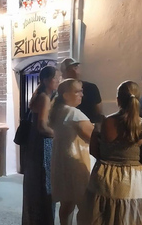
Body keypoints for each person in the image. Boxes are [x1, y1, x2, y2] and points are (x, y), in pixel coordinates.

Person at [81, 81, 142, 225]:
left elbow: (93, 150)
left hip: (104, 174)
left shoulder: (104, 122)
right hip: (132, 179)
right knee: (127, 217)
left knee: (100, 215)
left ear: (118, 100)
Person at [49, 79, 93, 225]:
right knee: (85, 205)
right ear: (66, 95)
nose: (82, 94)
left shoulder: (58, 110)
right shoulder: (74, 113)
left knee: (66, 203)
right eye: (77, 91)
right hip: (76, 162)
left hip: (62, 160)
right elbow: (93, 137)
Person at [22, 66, 60, 225]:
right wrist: (58, 135)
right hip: (43, 146)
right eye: (56, 78)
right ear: (46, 80)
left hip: (34, 145)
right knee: (45, 186)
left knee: (36, 187)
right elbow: (42, 126)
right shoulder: (44, 97)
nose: (58, 81)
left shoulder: (40, 95)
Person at [60, 58, 103, 124]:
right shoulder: (61, 91)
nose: (74, 71)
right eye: (70, 70)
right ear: (63, 74)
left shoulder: (91, 87)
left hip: (91, 127)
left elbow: (99, 111)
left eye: (76, 68)